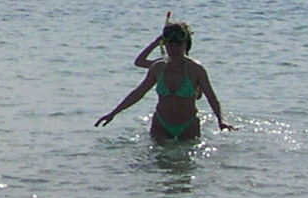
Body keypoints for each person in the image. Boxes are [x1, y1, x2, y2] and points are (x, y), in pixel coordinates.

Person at [97, 15, 231, 141]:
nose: (174, 49)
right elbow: (139, 92)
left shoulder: (196, 69)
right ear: (164, 45)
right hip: (161, 124)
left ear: (186, 44)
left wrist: (221, 120)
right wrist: (113, 113)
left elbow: (211, 98)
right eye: (170, 45)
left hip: (188, 125)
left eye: (178, 45)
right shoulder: (158, 67)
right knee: (158, 158)